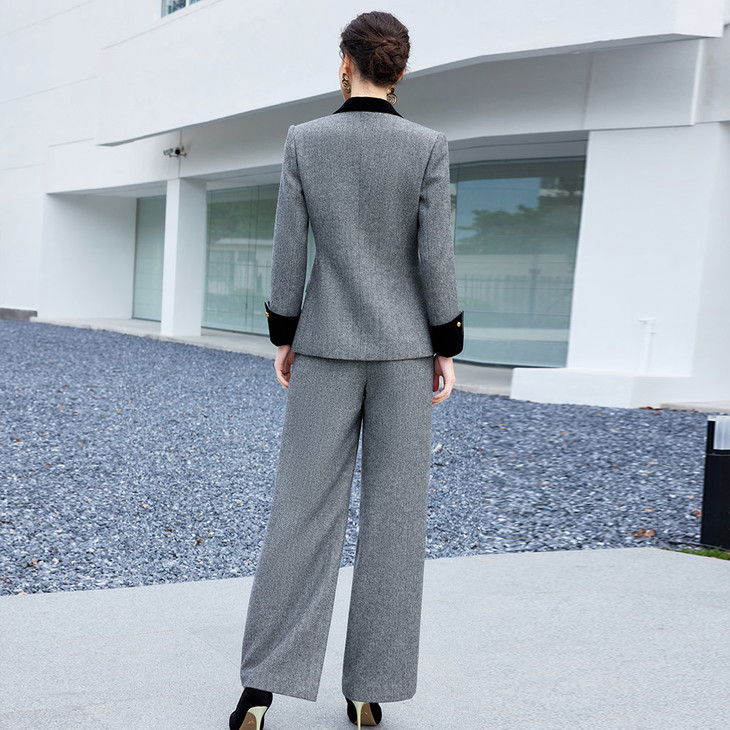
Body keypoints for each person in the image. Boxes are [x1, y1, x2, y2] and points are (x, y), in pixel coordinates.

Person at [229, 11, 463, 730]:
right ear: (401, 72)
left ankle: (260, 692)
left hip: (326, 346)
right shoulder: (428, 147)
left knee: (300, 513)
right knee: (395, 521)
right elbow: (435, 257)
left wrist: (285, 332)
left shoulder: (305, 140)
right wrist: (444, 344)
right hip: (403, 354)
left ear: (344, 63)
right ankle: (368, 692)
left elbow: (289, 248)